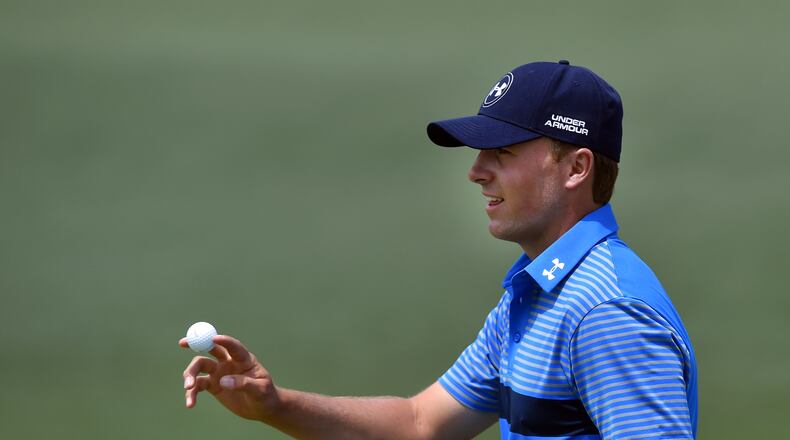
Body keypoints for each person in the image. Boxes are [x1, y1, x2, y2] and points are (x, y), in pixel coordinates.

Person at [180, 60, 698, 439]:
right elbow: (420, 424)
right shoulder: (536, 292)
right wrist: (275, 405)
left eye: (503, 152)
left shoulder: (606, 312)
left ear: (577, 168)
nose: (476, 171)